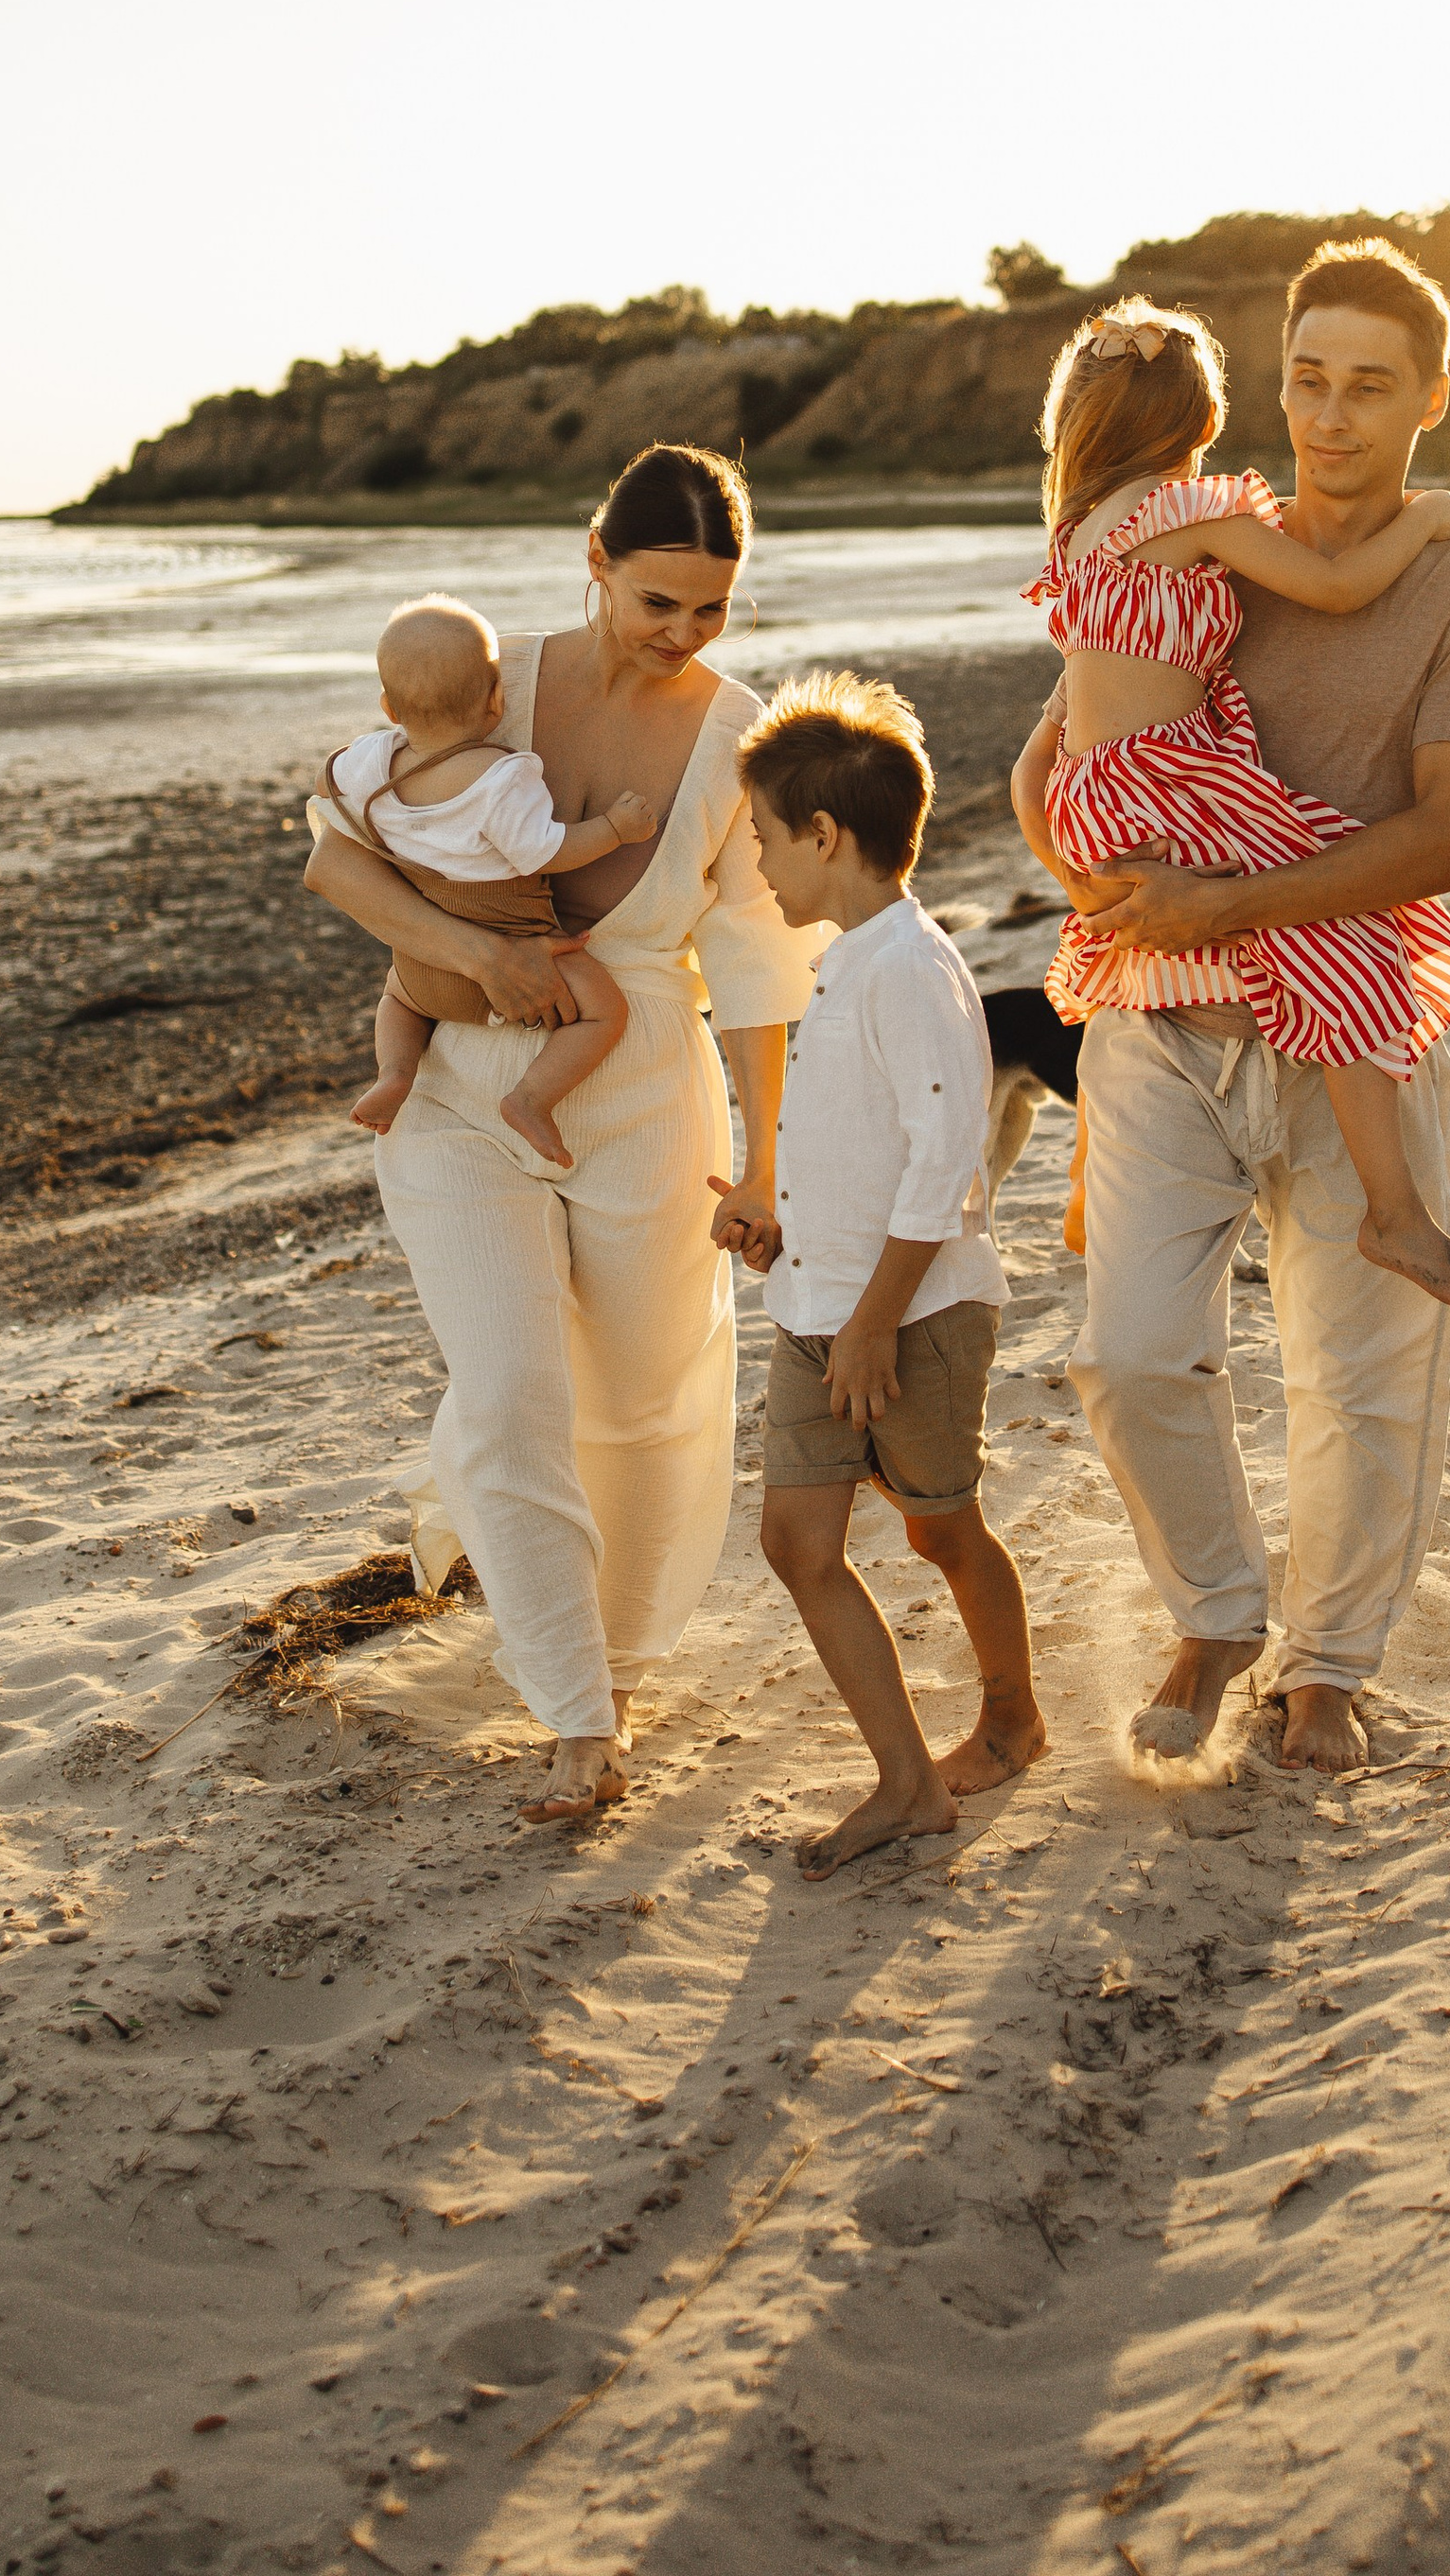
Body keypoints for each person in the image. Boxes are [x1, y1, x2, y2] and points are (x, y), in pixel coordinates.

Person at [1012, 241, 1450, 1777]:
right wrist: (1092, 874)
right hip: (1157, 1026)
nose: (1330, 414)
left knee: (1363, 1383)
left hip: (1350, 1030)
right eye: (1308, 377)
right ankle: (1217, 1612)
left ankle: (1327, 1672)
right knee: (1128, 1354)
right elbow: (1063, 758)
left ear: (1430, 398)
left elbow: (1449, 838)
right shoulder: (1202, 542)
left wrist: (1221, 905)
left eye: (1371, 387)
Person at [303, 444, 822, 1824]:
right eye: (659, 601)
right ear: (595, 561)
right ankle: (577, 1713)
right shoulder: (485, 680)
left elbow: (761, 969)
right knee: (515, 1394)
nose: (685, 634)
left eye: (713, 608)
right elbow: (332, 844)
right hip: (460, 1089)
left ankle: (626, 1644)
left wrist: (766, 1163)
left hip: (646, 1079)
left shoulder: (740, 731)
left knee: (647, 1394)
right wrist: (474, 959)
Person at [1025, 292, 1450, 1314]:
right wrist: (1426, 516)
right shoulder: (1187, 514)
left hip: (1093, 793)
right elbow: (1334, 586)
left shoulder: (1076, 533)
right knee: (1346, 925)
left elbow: (1051, 740)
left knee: (1266, 936)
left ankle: (1113, 1169)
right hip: (1169, 778)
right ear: (1204, 425)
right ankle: (1393, 1208)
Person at [735, 671, 1044, 1879]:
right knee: (796, 1542)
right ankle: (908, 1784)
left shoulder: (911, 968)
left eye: (765, 838)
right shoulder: (852, 957)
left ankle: (1013, 1715)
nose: (757, 864)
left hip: (910, 1321)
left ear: (825, 836)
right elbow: (858, 1152)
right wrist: (777, 1228)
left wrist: (869, 1325)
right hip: (818, 1308)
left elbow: (943, 1165)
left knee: (942, 1532)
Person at [327, 592, 655, 1165]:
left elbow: (332, 779)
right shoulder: (501, 776)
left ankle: (396, 1073)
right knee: (607, 1009)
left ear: (388, 706)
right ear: (497, 698)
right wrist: (613, 828)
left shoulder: (373, 765)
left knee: (395, 999)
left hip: (423, 968)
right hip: (519, 945)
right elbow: (544, 851)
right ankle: (531, 1099)